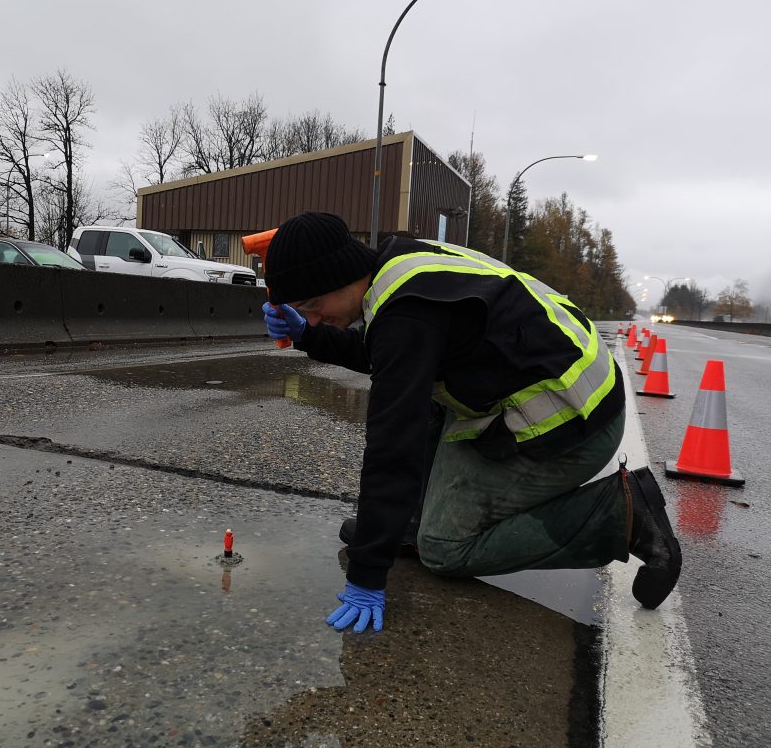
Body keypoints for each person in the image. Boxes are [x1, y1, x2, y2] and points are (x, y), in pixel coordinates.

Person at [261, 211, 681, 633]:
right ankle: (410, 524)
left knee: (445, 549)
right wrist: (309, 335)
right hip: (567, 394)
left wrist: (367, 574)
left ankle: (622, 515)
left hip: (569, 426)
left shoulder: (406, 313)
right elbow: (387, 352)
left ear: (343, 272)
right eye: (301, 311)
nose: (312, 316)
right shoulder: (397, 265)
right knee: (420, 396)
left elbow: (393, 449)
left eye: (313, 307)